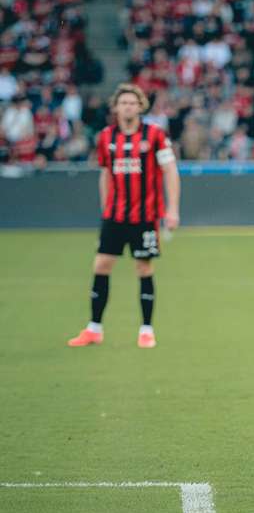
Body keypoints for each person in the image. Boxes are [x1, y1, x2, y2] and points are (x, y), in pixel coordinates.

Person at [67, 84, 180, 349]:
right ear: (115, 107)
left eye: (133, 103)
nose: (128, 107)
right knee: (101, 266)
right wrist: (106, 208)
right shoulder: (106, 137)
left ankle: (146, 330)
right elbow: (105, 173)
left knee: (143, 268)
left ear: (141, 106)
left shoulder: (155, 135)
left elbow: (170, 171)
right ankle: (94, 328)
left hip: (146, 216)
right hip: (115, 216)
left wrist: (172, 210)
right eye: (123, 103)